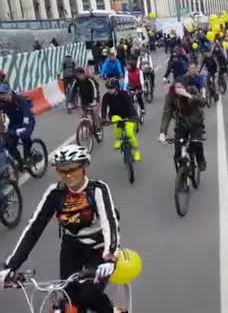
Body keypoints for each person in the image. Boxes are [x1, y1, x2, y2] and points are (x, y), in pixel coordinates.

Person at [0, 145, 120, 313]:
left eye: (72, 170)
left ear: (84, 167)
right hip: (71, 247)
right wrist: (11, 266)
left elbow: (110, 223)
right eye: (62, 171)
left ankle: (112, 310)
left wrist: (110, 258)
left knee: (88, 295)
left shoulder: (97, 190)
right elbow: (34, 227)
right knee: (68, 296)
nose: (68, 175)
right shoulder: (55, 193)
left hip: (98, 248)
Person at [158, 78, 207, 172]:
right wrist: (162, 133)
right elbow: (167, 113)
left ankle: (201, 161)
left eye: (181, 87)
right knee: (177, 151)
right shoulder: (171, 95)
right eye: (177, 88)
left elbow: (203, 102)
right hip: (181, 123)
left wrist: (189, 95)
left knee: (196, 143)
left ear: (185, 87)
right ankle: (181, 175)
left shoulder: (192, 89)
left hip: (195, 122)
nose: (179, 90)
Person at [100, 79, 141, 162]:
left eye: (111, 88)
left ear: (117, 87)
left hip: (128, 115)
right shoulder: (106, 96)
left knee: (130, 133)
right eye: (108, 88)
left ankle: (136, 151)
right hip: (115, 115)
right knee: (117, 122)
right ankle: (118, 139)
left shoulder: (124, 94)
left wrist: (135, 116)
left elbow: (130, 106)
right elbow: (103, 107)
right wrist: (103, 119)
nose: (109, 90)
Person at [0, 82, 35, 169]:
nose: (2, 96)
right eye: (0, 94)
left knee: (25, 136)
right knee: (9, 144)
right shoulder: (2, 103)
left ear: (9, 92)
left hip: (27, 121)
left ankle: (28, 157)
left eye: (3, 93)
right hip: (14, 124)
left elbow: (26, 112)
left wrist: (24, 126)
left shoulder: (18, 99)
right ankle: (20, 162)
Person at [72, 68, 102, 139]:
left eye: (79, 75)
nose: (78, 76)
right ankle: (86, 126)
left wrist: (94, 99)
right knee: (83, 114)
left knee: (94, 114)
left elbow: (94, 89)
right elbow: (73, 90)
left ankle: (98, 130)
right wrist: (72, 102)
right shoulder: (77, 81)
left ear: (83, 74)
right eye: (77, 75)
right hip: (84, 100)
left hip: (94, 98)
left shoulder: (90, 80)